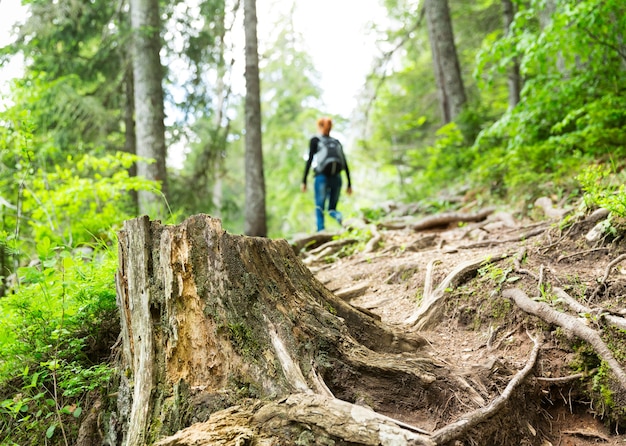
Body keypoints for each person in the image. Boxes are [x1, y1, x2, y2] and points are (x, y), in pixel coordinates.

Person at [301, 117, 352, 232]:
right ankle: (343, 221)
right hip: (337, 178)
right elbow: (345, 163)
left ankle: (321, 232)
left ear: (319, 126)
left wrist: (304, 181)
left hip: (321, 177)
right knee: (332, 209)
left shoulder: (315, 140)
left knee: (319, 207)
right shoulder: (336, 142)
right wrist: (349, 184)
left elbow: (310, 160)